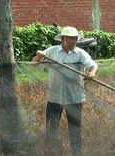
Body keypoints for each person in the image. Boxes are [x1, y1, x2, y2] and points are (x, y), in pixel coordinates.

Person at [32, 26, 98, 155]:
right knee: (52, 128)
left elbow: (92, 64)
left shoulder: (80, 53)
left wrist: (91, 72)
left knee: (75, 129)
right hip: (55, 97)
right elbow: (34, 64)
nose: (74, 42)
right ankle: (51, 152)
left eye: (76, 39)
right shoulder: (52, 52)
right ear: (63, 39)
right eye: (72, 39)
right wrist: (38, 56)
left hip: (74, 97)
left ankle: (76, 153)